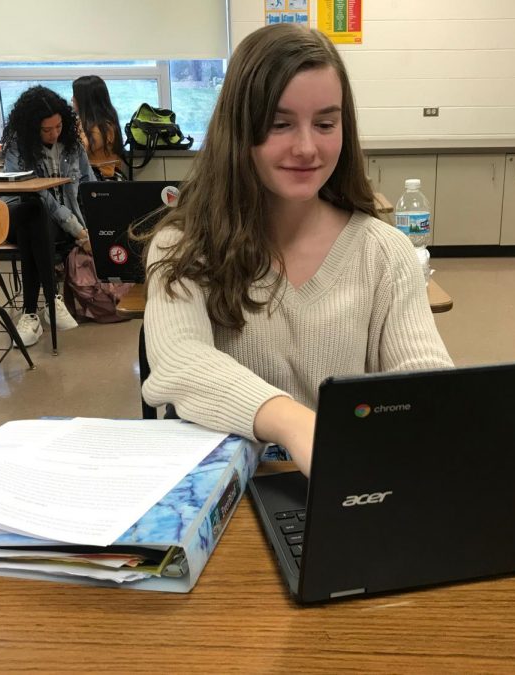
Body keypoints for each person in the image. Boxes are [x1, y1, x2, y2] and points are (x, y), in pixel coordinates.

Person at [139, 24, 453, 476]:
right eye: (279, 124)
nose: (306, 147)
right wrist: (295, 424)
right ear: (238, 130)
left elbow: (424, 378)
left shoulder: (385, 252)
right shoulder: (185, 247)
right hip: (227, 496)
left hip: (346, 489)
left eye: (325, 124)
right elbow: (181, 363)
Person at [0, 85, 95, 347]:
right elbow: (40, 196)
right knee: (35, 209)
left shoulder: (73, 146)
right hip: (21, 216)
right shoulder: (18, 148)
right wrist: (77, 231)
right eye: (47, 129)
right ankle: (51, 299)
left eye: (59, 126)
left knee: (35, 226)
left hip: (53, 224)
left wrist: (94, 227)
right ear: (33, 128)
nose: (55, 134)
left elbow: (89, 184)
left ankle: (30, 312)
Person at [72, 75, 125, 180]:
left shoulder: (104, 127)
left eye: (75, 95)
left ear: (85, 100)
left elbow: (80, 150)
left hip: (100, 182)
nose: (72, 99)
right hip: (84, 178)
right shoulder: (80, 122)